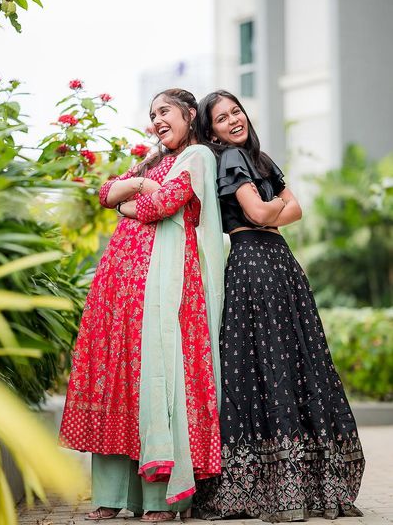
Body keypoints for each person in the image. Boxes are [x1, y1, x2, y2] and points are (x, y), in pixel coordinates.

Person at [193, 90, 365, 522]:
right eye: (221, 118)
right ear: (211, 131)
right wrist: (274, 209)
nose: (233, 121)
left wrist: (273, 211)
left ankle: (291, 486)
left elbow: (296, 210)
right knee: (270, 363)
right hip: (254, 262)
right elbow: (261, 211)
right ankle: (280, 488)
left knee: (284, 361)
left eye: (236, 111)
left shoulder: (260, 159)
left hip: (280, 262)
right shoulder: (230, 159)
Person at [59, 89, 224, 521]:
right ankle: (112, 498)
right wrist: (138, 184)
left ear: (190, 114)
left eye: (164, 111)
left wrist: (134, 197)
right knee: (123, 382)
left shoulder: (198, 157)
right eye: (153, 115)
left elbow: (161, 205)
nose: (157, 120)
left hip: (165, 286)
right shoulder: (153, 162)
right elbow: (105, 193)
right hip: (119, 290)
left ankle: (159, 500)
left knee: (158, 381)